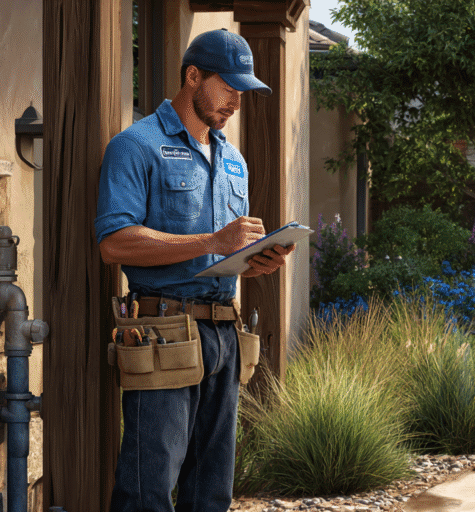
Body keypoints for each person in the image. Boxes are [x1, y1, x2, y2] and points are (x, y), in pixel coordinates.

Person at [94, 28, 293, 512]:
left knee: (212, 492)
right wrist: (212, 240)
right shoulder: (136, 146)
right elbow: (114, 242)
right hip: (163, 335)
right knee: (149, 488)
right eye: (228, 89)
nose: (235, 104)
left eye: (242, 93)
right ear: (192, 76)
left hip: (226, 335)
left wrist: (254, 261)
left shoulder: (234, 163)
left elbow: (216, 256)